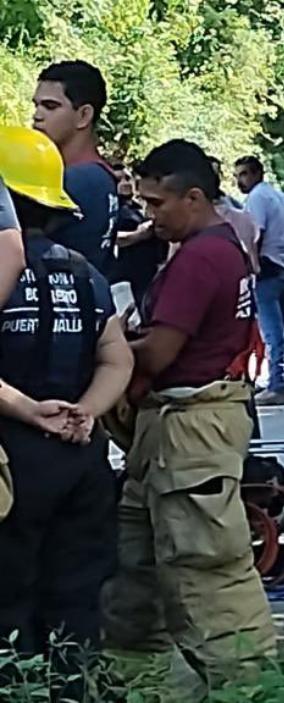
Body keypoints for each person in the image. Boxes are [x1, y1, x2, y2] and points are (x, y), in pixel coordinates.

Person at [101, 140, 275, 694]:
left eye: (157, 204)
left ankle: (250, 688)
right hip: (175, 429)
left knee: (206, 570)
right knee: (138, 567)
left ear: (194, 198)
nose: (149, 216)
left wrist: (109, 346)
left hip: (192, 430)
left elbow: (157, 354)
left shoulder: (201, 258)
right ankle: (134, 683)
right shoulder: (221, 244)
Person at [0, 126, 133, 696]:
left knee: (8, 603)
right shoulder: (84, 272)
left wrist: (32, 411)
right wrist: (85, 411)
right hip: (81, 459)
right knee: (76, 599)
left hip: (11, 461)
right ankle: (73, 689)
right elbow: (117, 358)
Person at [31, 60, 119, 277]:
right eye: (36, 105)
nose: (37, 116)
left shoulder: (78, 179)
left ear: (84, 116)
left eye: (50, 106)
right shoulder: (100, 176)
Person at [235, 156, 284, 405]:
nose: (239, 181)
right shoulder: (279, 197)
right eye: (237, 175)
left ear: (256, 174)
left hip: (266, 269)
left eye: (243, 174)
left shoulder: (257, 198)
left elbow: (255, 234)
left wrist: (253, 264)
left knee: (272, 333)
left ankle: (277, 385)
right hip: (282, 267)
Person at [113, 161, 169, 303]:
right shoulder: (111, 210)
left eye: (127, 178)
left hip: (149, 274)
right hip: (124, 278)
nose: (125, 183)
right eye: (118, 180)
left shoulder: (139, 208)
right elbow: (109, 238)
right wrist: (138, 235)